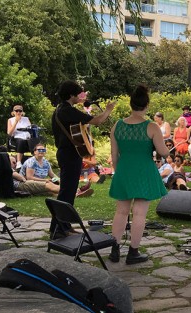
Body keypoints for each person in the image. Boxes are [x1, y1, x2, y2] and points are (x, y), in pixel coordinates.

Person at [108, 85, 168, 265]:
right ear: (147, 105)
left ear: (131, 104)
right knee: (139, 213)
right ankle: (133, 252)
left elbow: (113, 154)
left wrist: (119, 171)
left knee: (121, 212)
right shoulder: (151, 126)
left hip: (124, 169)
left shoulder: (117, 125)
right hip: (144, 171)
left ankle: (114, 249)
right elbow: (163, 152)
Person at [52, 81, 115, 239]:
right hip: (69, 155)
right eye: (78, 94)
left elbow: (78, 129)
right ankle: (58, 229)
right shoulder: (67, 111)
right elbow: (97, 120)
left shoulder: (60, 110)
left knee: (69, 191)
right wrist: (108, 110)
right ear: (71, 95)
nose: (80, 96)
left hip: (67, 153)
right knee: (66, 192)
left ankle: (64, 225)